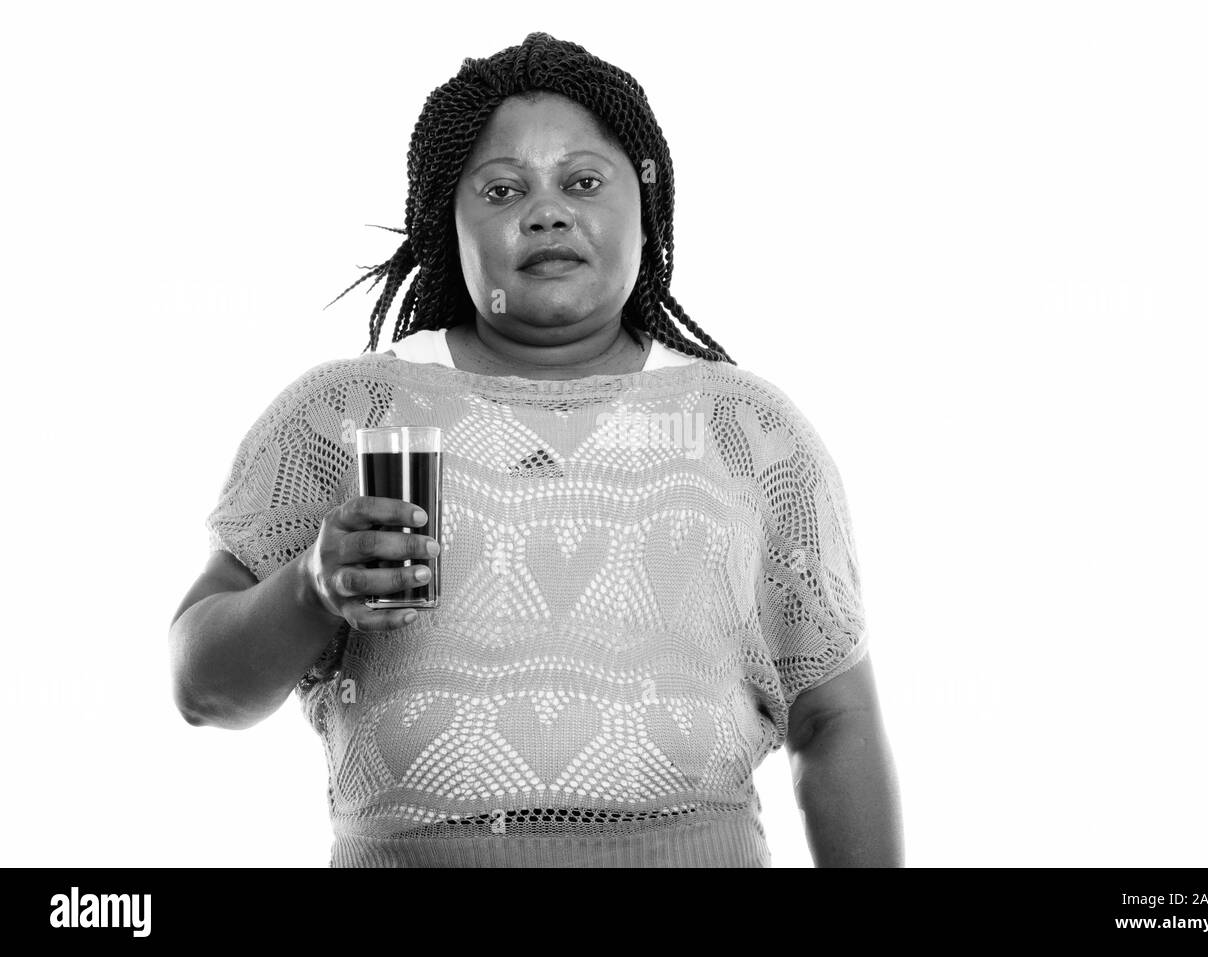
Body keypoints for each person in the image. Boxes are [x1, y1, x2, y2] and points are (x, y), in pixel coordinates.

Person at [169, 32, 903, 868]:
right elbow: (201, 689)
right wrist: (310, 586)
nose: (546, 210)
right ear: (448, 216)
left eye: (583, 181)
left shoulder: (749, 432)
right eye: (503, 188)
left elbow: (833, 717)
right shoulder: (349, 414)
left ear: (646, 200)